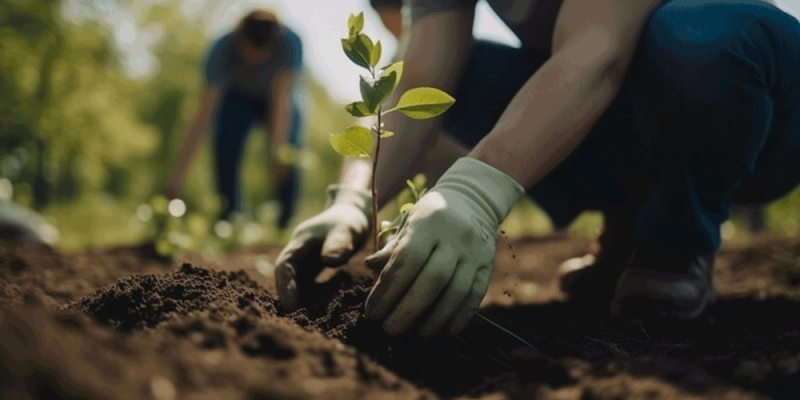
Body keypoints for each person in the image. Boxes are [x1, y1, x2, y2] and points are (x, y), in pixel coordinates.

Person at [273, 0, 800, 339]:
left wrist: (475, 192)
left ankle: (675, 242)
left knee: (692, 38)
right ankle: (628, 230)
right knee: (465, 75)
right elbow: (420, 78)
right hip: (631, 107)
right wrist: (352, 200)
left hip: (756, 106)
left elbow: (598, 51)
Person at [165, 9, 304, 229]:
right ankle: (229, 219)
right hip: (237, 99)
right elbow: (202, 116)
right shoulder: (221, 49)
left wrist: (277, 150)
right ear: (240, 40)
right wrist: (177, 176)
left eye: (262, 54)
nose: (256, 60)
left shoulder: (290, 43)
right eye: (251, 52)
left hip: (278, 101)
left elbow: (281, 100)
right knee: (225, 145)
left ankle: (284, 224)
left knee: (288, 152)